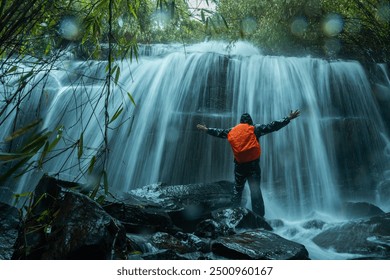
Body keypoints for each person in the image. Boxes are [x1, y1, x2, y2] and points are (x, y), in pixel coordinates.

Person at [197, 110, 300, 217]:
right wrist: (288, 118)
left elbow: (218, 132)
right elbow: (272, 126)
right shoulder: (254, 128)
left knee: (237, 191)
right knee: (255, 191)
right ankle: (259, 217)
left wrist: (206, 129)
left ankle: (234, 215)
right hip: (253, 166)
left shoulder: (231, 131)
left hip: (239, 166)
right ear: (250, 122)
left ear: (240, 122)